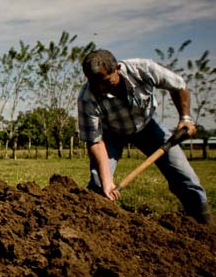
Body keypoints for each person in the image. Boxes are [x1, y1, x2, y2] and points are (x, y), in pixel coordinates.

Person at [77, 49, 211, 223]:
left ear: (117, 69)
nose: (101, 88)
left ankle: (202, 222)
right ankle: (92, 225)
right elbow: (95, 142)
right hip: (111, 134)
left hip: (148, 126)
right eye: (95, 83)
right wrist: (107, 181)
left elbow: (179, 86)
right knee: (99, 183)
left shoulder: (143, 69)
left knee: (184, 175)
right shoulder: (87, 97)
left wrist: (185, 118)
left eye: (106, 82)